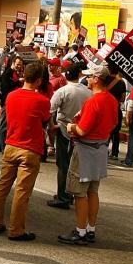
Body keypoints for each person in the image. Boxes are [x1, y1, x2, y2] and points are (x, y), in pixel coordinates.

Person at [58, 65, 120, 245]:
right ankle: (91, 228)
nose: (87, 79)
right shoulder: (111, 100)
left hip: (86, 149)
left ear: (97, 79)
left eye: (91, 76)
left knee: (80, 192)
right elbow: (114, 124)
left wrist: (71, 127)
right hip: (100, 148)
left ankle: (80, 231)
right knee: (93, 191)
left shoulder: (94, 101)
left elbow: (82, 130)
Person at [0, 60, 50, 242]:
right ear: (38, 81)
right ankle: (16, 229)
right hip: (29, 148)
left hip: (11, 145)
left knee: (2, 187)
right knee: (22, 192)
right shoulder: (42, 100)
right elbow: (45, 122)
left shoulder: (11, 96)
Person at [47, 61, 90, 210]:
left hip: (64, 130)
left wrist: (51, 126)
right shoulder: (88, 92)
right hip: (80, 132)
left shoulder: (63, 91)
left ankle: (63, 197)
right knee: (74, 166)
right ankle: (70, 194)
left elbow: (50, 110)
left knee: (63, 165)